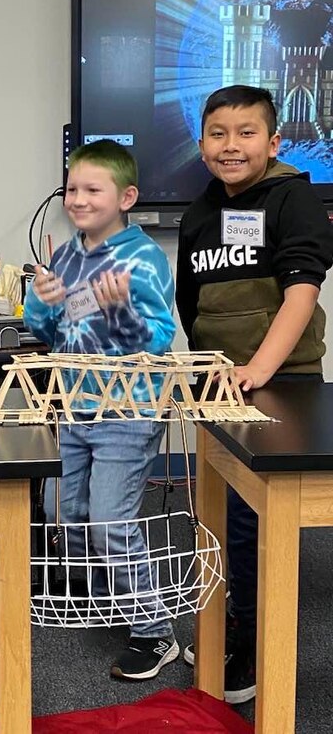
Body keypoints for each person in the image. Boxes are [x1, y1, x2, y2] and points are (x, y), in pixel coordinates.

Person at [176, 84, 333, 705]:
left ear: (273, 141)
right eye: (218, 133)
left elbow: (303, 292)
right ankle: (232, 619)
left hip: (280, 382)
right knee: (215, 512)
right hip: (220, 384)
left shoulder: (294, 196)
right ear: (202, 143)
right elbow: (191, 304)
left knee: (251, 518)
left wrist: (260, 369)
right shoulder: (197, 213)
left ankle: (255, 640)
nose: (231, 145)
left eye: (246, 133)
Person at [24, 139, 177, 681]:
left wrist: (123, 312)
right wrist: (40, 303)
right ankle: (107, 591)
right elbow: (49, 333)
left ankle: (155, 633)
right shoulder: (64, 255)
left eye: (93, 189)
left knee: (112, 522)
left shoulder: (144, 257)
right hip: (72, 408)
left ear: (126, 197)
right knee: (69, 510)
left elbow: (159, 339)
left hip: (126, 413)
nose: (78, 199)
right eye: (71, 189)